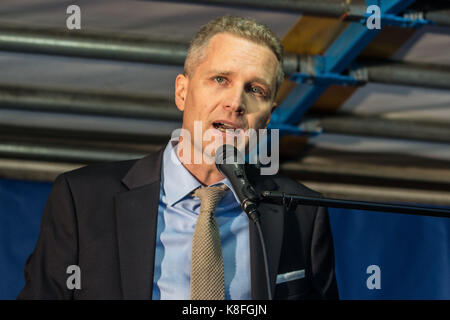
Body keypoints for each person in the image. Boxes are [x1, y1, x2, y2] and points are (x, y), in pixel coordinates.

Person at [18, 15, 338, 300]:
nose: (236, 102)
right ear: (182, 92)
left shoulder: (302, 213)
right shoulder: (83, 199)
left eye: (256, 90)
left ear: (268, 118)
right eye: (220, 79)